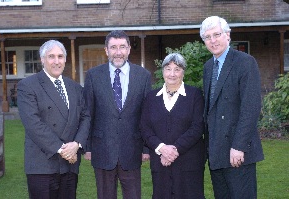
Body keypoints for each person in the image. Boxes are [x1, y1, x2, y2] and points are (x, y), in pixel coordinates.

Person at [200, 16, 264, 199]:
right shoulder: (208, 67)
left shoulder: (245, 62)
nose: (213, 40)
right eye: (208, 37)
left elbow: (250, 107)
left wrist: (239, 146)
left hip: (237, 151)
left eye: (217, 34)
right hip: (216, 151)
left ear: (227, 35)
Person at [17, 40, 90, 199]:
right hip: (42, 164)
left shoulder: (75, 88)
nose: (56, 61)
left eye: (60, 56)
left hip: (70, 164)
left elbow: (85, 117)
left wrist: (76, 144)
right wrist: (63, 149)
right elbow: (33, 123)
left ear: (65, 59)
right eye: (51, 56)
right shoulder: (28, 86)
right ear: (42, 59)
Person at [83, 30, 152, 199]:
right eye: (113, 47)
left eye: (122, 47)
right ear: (106, 50)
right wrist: (87, 146)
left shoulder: (143, 76)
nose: (118, 52)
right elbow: (88, 113)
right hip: (102, 149)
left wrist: (146, 147)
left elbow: (146, 115)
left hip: (132, 150)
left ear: (128, 49)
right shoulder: (93, 76)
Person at [140, 53, 205, 199]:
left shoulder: (195, 95)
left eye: (177, 69)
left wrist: (174, 150)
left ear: (184, 72)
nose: (172, 74)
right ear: (163, 71)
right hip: (160, 162)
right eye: (168, 69)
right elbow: (145, 128)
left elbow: (197, 127)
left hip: (189, 163)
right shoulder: (151, 98)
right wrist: (161, 148)